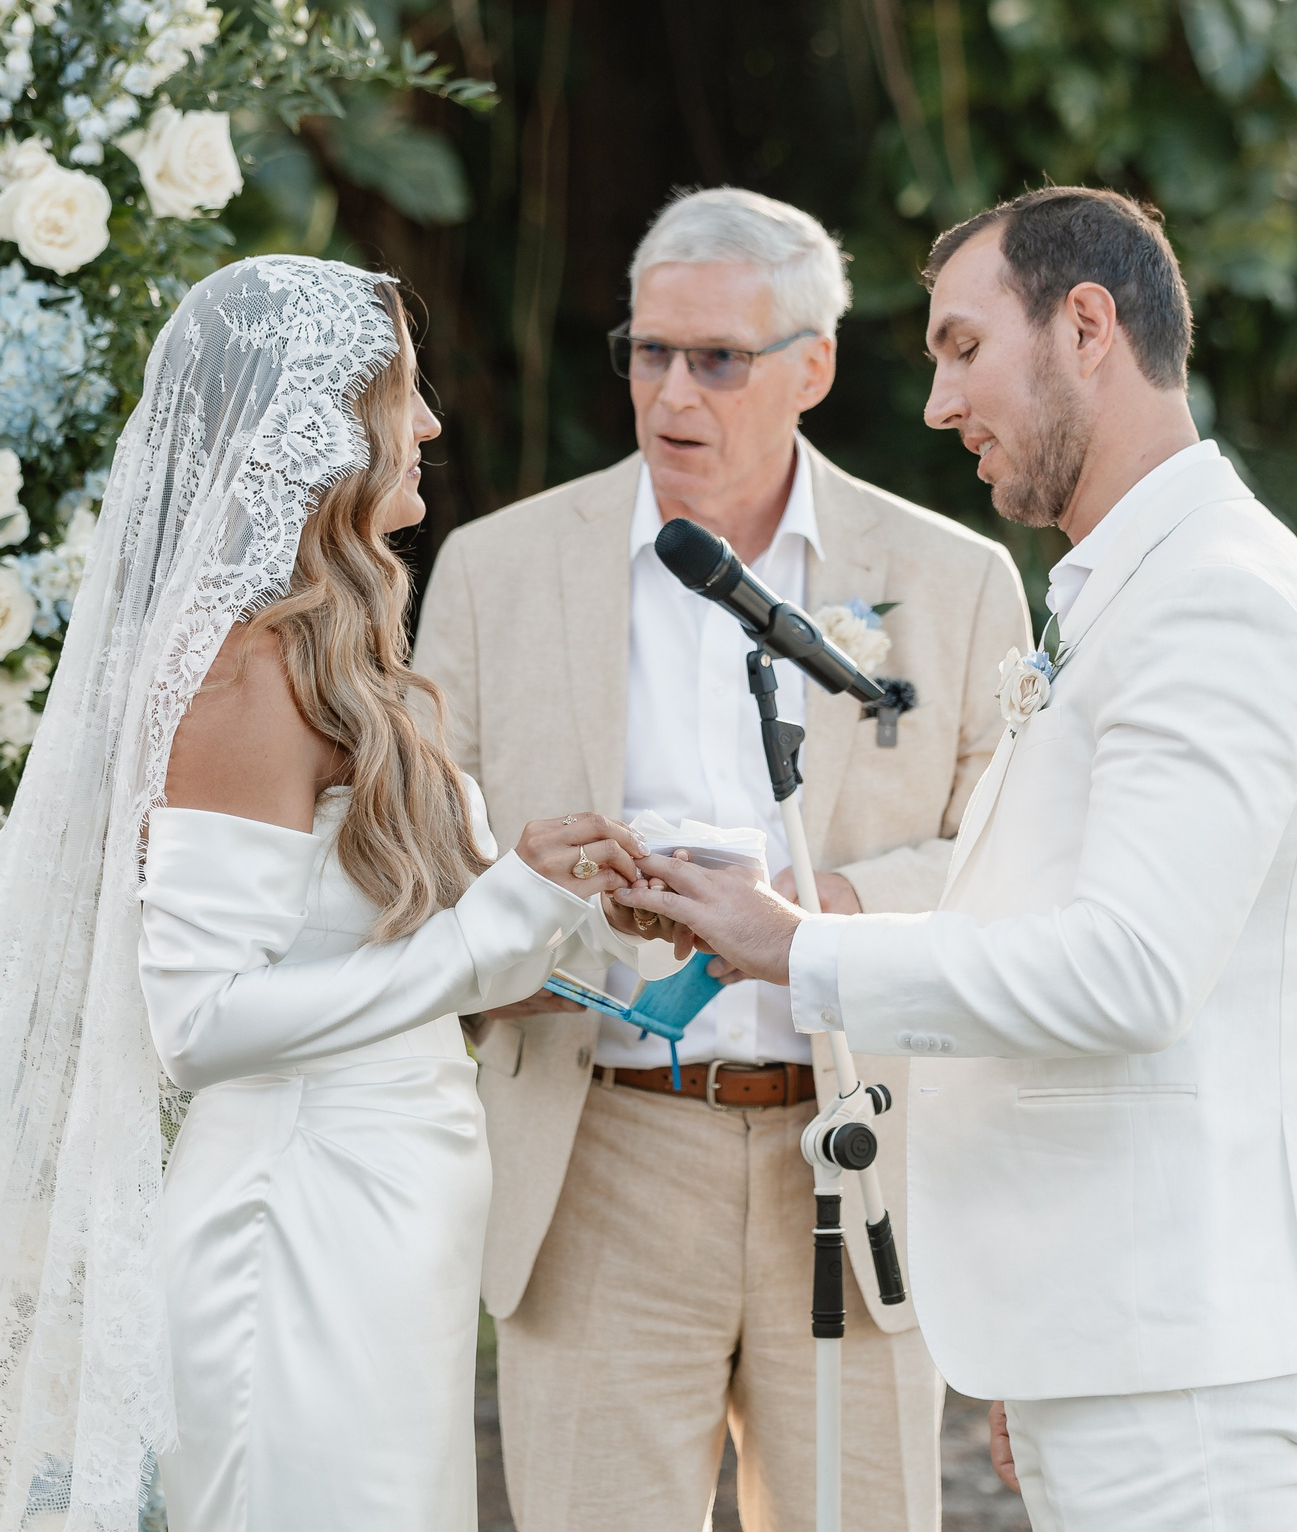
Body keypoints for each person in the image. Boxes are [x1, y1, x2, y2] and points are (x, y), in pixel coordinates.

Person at [0, 256, 644, 1532]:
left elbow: (437, 955)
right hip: (297, 1223)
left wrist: (558, 892)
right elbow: (201, 1023)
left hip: (393, 1210)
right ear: (314, 423)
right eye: (403, 390)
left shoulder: (338, 650)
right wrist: (492, 921)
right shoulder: (239, 674)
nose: (432, 422)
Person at [610, 187, 1297, 1532]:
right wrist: (1039, 1347)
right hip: (1122, 1337)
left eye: (964, 348)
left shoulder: (1215, 600)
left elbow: (1129, 973)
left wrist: (797, 945)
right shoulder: (1136, 588)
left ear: (1087, 326)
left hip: (1185, 1356)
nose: (937, 402)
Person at [415, 187, 1029, 1532]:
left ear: (812, 366)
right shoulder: (493, 569)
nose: (671, 392)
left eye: (718, 359)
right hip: (602, 1152)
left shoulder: (956, 577)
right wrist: (536, 909)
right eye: (649, 352)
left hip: (859, 1146)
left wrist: (823, 913)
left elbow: (1012, 868)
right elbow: (413, 861)